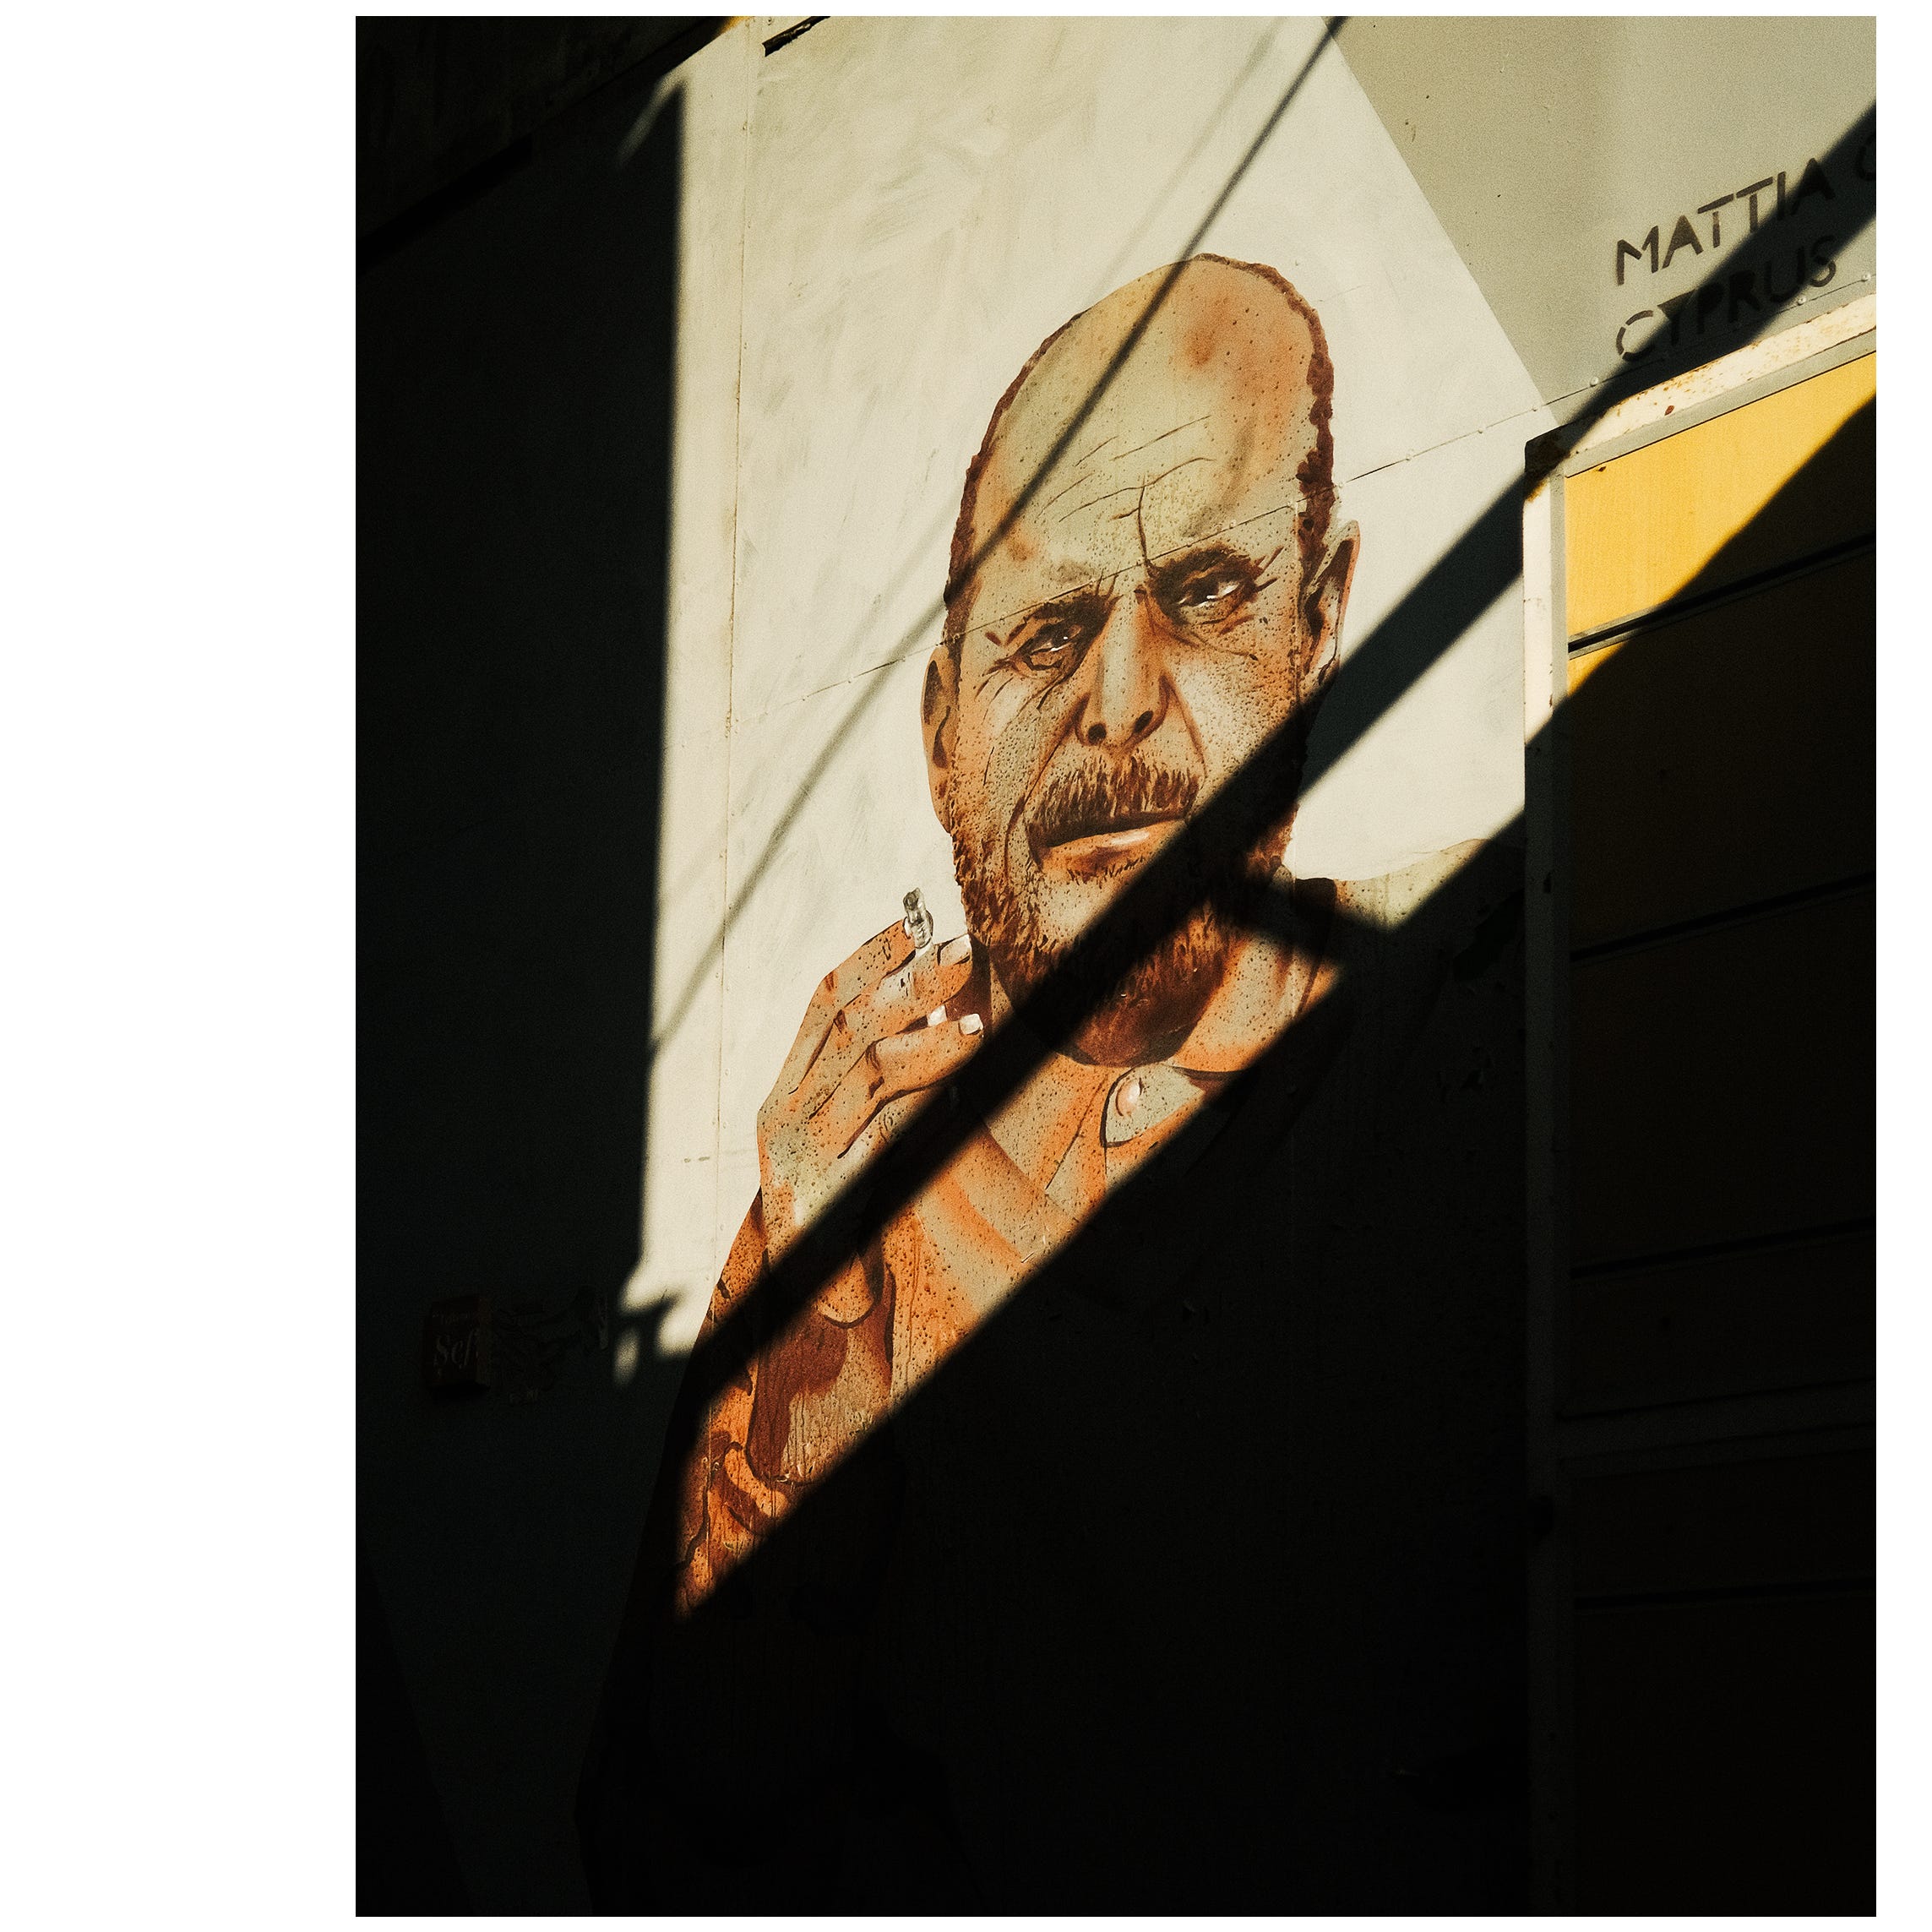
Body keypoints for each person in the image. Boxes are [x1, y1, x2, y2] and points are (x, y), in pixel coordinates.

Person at [581, 255, 1527, 1912]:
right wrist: (816, 1299)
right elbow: (697, 1793)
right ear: (942, 726)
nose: (1119, 702)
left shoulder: (1475, 997)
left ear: (1318, 627)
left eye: (1209, 595)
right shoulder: (864, 1146)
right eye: (1047, 630)